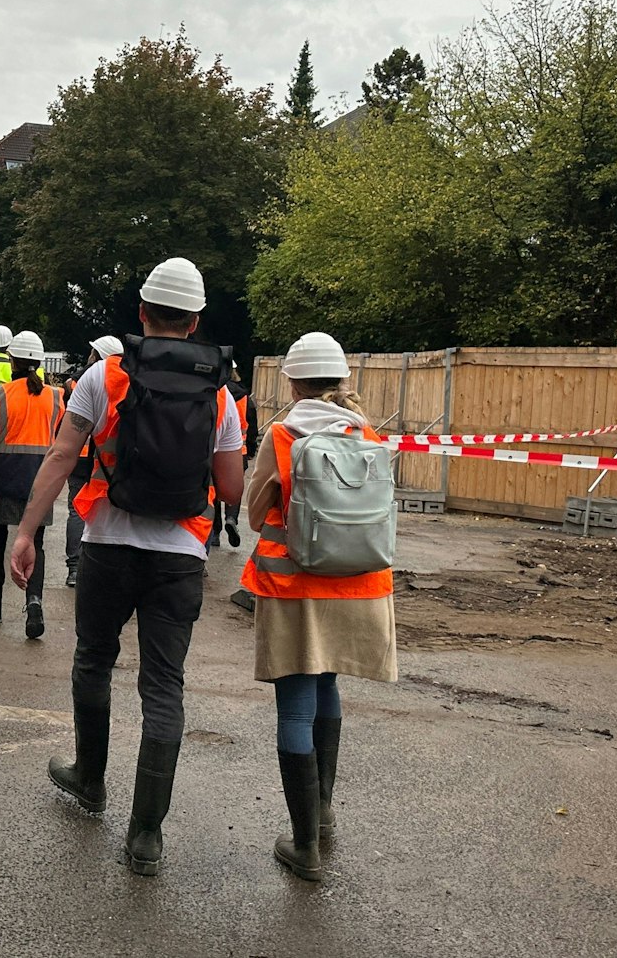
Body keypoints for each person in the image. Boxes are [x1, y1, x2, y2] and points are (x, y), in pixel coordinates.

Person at [11, 258, 245, 876]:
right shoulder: (220, 393)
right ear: (195, 322)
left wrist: (28, 532)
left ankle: (90, 780)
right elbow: (231, 489)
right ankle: (145, 836)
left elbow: (62, 456)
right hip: (180, 557)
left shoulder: (103, 375)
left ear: (141, 313)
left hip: (108, 546)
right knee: (164, 686)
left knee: (94, 660)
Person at [241, 332, 397, 881]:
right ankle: (324, 812)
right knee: (328, 685)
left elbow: (255, 515)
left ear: (293, 383)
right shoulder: (367, 433)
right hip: (359, 587)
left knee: (295, 709)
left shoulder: (283, 434)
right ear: (341, 379)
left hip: (294, 589)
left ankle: (304, 844)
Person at [0, 331, 65, 638]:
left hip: (3, 478)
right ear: (39, 362)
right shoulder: (55, 397)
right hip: (40, 481)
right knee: (35, 543)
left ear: (13, 361)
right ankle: (34, 602)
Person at [62, 335, 123, 588]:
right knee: (107, 509)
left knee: (76, 509)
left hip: (79, 456)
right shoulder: (124, 382)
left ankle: (75, 567)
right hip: (106, 461)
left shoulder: (76, 381)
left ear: (96, 355)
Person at [206, 361, 259, 551]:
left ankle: (215, 533)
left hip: (214, 449)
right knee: (233, 488)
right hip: (239, 450)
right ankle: (231, 518)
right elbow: (252, 425)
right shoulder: (243, 395)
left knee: (214, 490)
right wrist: (251, 449)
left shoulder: (213, 390)